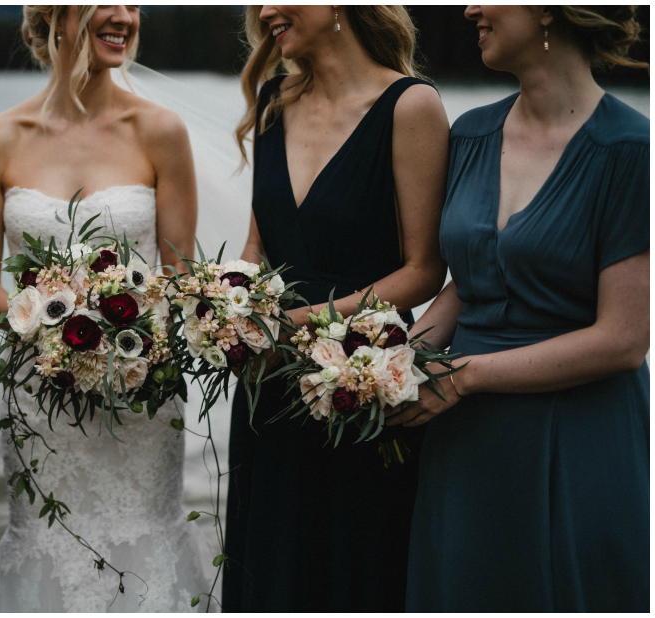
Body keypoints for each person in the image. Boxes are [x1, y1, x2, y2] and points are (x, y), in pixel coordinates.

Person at [389, 5, 649, 611]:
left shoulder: (630, 151)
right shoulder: (471, 134)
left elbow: (624, 338)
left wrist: (467, 375)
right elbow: (470, 281)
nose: (469, 8)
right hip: (468, 442)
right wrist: (391, 360)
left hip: (578, 434)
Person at [0, 5, 211, 612]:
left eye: (134, 5)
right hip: (38, 394)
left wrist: (121, 336)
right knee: (46, 542)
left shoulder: (160, 131)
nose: (125, 17)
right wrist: (50, 335)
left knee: (145, 542)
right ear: (55, 12)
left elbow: (180, 273)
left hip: (139, 390)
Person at [224, 6, 449, 611]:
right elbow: (256, 249)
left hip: (356, 386)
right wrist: (221, 309)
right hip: (266, 389)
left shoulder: (410, 106)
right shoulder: (273, 101)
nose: (266, 11)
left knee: (352, 570)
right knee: (268, 571)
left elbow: (424, 268)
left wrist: (296, 324)